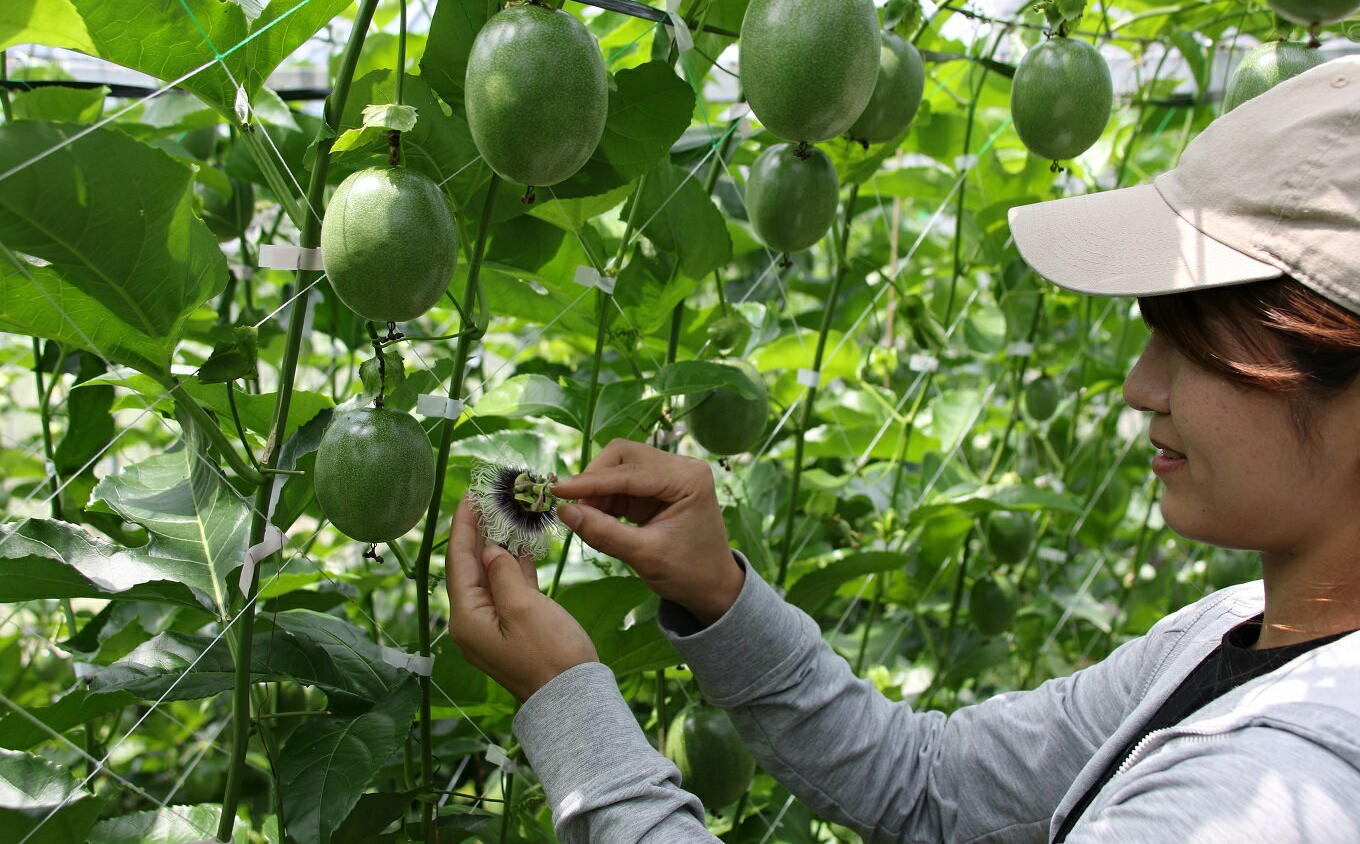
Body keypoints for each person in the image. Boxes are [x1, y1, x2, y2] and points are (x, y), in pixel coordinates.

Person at [444, 55, 1360, 842]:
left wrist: (571, 712)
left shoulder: (1272, 796)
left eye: (1194, 339)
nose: (1140, 386)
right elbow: (934, 785)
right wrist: (717, 590)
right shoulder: (1229, 633)